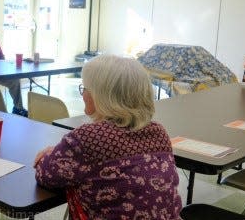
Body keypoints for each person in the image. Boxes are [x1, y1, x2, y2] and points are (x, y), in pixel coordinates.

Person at [33, 55, 182, 219]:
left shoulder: (87, 138)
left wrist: (49, 155)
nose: (83, 95)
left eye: (86, 89)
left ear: (102, 96)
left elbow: (46, 175)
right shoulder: (158, 132)